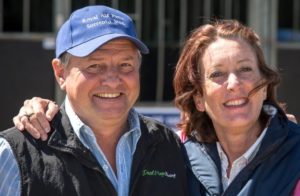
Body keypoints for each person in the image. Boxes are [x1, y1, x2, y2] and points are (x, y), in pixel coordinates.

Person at [0, 5, 187, 196]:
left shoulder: (167, 146)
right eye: (95, 66)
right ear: (60, 73)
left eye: (125, 64)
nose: (113, 80)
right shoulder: (18, 154)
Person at [173, 19, 300, 195]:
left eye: (245, 69)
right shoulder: (173, 156)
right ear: (199, 99)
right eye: (217, 74)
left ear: (264, 87)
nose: (234, 83)